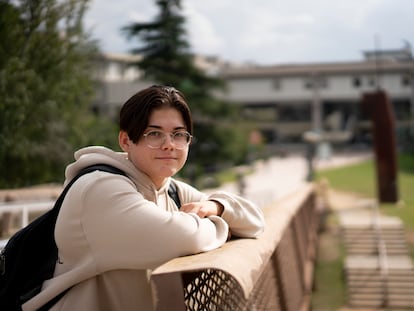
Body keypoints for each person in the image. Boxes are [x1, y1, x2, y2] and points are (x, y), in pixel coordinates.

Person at [23, 85, 264, 311]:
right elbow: (183, 236)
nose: (169, 145)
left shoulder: (172, 191)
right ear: (126, 140)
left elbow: (255, 221)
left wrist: (216, 206)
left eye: (179, 134)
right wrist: (221, 224)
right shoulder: (99, 189)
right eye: (154, 134)